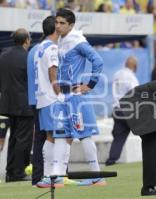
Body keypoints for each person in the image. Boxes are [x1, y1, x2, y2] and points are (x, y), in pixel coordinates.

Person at [53, 8, 106, 186]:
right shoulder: (61, 40)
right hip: (63, 96)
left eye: (62, 23)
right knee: (62, 135)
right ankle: (58, 176)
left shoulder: (78, 41)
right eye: (57, 22)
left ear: (71, 25)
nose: (58, 26)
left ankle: (97, 176)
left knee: (84, 135)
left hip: (75, 97)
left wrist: (89, 85)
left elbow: (98, 61)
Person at [33, 16, 64, 188]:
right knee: (58, 136)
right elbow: (53, 73)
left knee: (50, 137)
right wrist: (60, 95)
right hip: (52, 98)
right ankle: (53, 175)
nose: (60, 27)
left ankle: (48, 176)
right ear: (55, 29)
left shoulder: (39, 47)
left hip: (42, 98)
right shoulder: (52, 47)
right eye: (58, 24)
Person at [0, 28, 34, 182]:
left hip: (7, 103)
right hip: (24, 105)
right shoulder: (28, 57)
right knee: (22, 140)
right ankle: (18, 172)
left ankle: (10, 171)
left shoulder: (3, 55)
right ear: (27, 40)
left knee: (13, 138)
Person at [105, 56, 139, 166]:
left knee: (118, 136)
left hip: (117, 109)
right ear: (135, 66)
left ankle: (111, 159)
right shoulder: (131, 77)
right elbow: (135, 93)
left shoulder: (117, 74)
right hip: (128, 110)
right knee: (145, 131)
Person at [27, 37, 45, 185]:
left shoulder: (32, 50)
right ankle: (57, 174)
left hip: (34, 99)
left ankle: (37, 177)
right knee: (55, 137)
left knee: (39, 139)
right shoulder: (48, 49)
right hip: (45, 99)